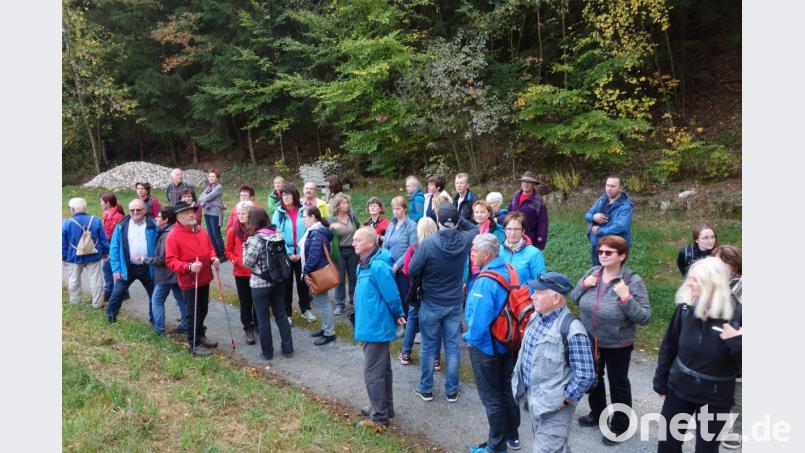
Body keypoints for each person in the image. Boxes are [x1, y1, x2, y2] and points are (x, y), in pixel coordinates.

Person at [653, 257, 742, 453]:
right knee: (668, 443)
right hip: (679, 388)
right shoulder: (685, 308)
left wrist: (736, 342)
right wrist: (661, 380)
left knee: (706, 449)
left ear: (712, 283)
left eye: (695, 279)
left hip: (716, 396)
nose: (688, 283)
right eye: (689, 278)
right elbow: (669, 345)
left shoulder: (738, 315)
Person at [572, 235, 652, 446]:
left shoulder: (633, 281)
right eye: (600, 252)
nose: (603, 255)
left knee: (618, 384)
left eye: (609, 252)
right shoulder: (592, 273)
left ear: (622, 255)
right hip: (590, 339)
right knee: (592, 379)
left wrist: (626, 298)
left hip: (618, 343)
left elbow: (644, 317)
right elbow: (574, 298)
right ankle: (597, 413)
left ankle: (620, 426)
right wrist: (582, 284)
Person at [512, 272, 597, 453]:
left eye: (538, 292)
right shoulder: (536, 317)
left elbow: (586, 374)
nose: (532, 295)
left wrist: (564, 401)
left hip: (555, 409)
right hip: (536, 401)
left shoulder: (573, 330)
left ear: (556, 297)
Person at [408, 203, 479, 403]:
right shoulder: (465, 240)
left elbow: (413, 270)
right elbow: (474, 228)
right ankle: (452, 391)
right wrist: (456, 218)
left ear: (438, 222)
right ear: (456, 222)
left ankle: (426, 388)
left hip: (431, 301)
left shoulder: (428, 244)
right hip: (454, 302)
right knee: (452, 346)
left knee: (429, 347)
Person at [464, 234, 521, 453]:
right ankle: (511, 435)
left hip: (487, 347)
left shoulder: (486, 280)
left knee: (492, 398)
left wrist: (470, 341)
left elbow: (478, 323)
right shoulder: (509, 270)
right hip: (509, 342)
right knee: (506, 390)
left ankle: (495, 446)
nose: (472, 253)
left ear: (486, 254)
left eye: (475, 250)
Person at [352, 227, 406, 430]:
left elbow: (392, 295)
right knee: (382, 369)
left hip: (376, 326)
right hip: (369, 323)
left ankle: (379, 418)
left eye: (358, 240)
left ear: (371, 244)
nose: (354, 243)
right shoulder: (364, 264)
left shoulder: (378, 266)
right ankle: (384, 408)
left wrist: (399, 313)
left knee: (372, 373)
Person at [166, 201, 221, 356]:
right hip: (190, 281)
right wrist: (188, 267)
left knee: (203, 309)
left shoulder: (200, 230)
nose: (192, 214)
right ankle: (193, 344)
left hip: (204, 277)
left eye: (192, 211)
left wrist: (213, 258)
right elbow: (170, 261)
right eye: (187, 212)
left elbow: (210, 249)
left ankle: (201, 335)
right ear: (178, 217)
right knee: (193, 313)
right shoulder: (173, 236)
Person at [242, 208, 294, 360]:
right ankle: (288, 349)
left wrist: (244, 247)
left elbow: (247, 263)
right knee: (281, 315)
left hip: (260, 284)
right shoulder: (277, 235)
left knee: (263, 319)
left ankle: (267, 353)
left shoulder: (255, 240)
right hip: (278, 281)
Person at [399, 217, 442, 370]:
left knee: (412, 321)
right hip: (434, 292)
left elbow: (406, 270)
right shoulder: (441, 248)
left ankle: (406, 353)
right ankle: (435, 359)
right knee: (435, 325)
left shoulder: (413, 249)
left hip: (415, 292)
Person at [106, 199, 158, 324]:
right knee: (117, 294)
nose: (135, 212)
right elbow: (114, 249)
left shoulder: (154, 226)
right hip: (127, 267)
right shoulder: (121, 226)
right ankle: (110, 321)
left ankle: (155, 323)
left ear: (145, 210)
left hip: (148, 268)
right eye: (132, 210)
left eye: (138, 209)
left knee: (154, 297)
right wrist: (116, 269)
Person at [711, 245, 742, 450]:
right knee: (718, 391)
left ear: (732, 264)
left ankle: (737, 431)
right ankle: (715, 427)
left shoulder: (742, 285)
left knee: (739, 393)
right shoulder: (712, 283)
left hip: (738, 345)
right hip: (715, 346)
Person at [273, 185, 316, 324]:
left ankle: (306, 310)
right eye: (283, 195)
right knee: (286, 284)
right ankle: (287, 314)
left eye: (288, 195)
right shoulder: (278, 213)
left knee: (303, 282)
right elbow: (276, 235)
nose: (285, 198)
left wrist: (300, 251)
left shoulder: (304, 211)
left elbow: (309, 231)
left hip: (302, 252)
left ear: (294, 196)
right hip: (285, 254)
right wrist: (289, 253)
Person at [142, 207, 188, 335]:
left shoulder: (167, 235)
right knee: (181, 299)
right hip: (178, 273)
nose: (156, 218)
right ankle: (186, 324)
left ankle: (159, 330)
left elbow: (162, 259)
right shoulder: (177, 230)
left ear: (166, 220)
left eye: (159, 217)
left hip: (166, 275)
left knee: (157, 300)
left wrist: (143, 260)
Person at [300, 205, 337, 346]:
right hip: (318, 271)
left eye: (305, 217)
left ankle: (329, 333)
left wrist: (305, 271)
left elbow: (314, 256)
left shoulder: (316, 233)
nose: (303, 219)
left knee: (323, 303)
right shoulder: (316, 230)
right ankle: (325, 328)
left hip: (317, 273)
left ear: (313, 217)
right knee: (322, 302)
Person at [63, 198, 109, 309]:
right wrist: (105, 252)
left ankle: (75, 301)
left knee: (74, 280)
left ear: (73, 209)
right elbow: (103, 239)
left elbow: (63, 243)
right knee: (96, 280)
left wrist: (64, 257)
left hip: (74, 257)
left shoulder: (67, 223)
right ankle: (97, 303)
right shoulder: (96, 220)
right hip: (94, 255)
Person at [382, 196, 418, 335]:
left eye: (398, 208)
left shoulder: (411, 225)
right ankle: (397, 323)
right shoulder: (391, 224)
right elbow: (385, 244)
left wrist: (397, 264)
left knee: (405, 296)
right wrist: (385, 260)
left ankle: (409, 326)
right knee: (393, 295)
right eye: (393, 208)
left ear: (404, 209)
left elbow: (412, 247)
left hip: (403, 268)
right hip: (389, 266)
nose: (395, 211)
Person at [225, 200, 259, 345]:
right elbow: (228, 251)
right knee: (245, 302)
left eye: (243, 213)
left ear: (250, 214)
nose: (240, 216)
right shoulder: (233, 230)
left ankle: (258, 324)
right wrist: (237, 261)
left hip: (256, 271)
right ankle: (248, 328)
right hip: (240, 272)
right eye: (238, 213)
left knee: (258, 301)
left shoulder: (256, 230)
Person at [585, 175, 633, 266]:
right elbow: (587, 215)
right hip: (598, 244)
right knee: (597, 273)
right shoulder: (602, 199)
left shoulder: (626, 205)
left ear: (621, 188)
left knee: (612, 276)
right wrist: (593, 217)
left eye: (613, 186)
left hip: (614, 248)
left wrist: (600, 231)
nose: (609, 189)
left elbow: (620, 227)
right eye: (607, 185)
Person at [328, 192, 361, 316]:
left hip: (353, 250)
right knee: (340, 278)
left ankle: (354, 300)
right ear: (338, 204)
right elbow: (326, 233)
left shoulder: (352, 216)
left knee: (354, 276)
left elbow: (359, 227)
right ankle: (340, 303)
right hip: (339, 252)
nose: (346, 205)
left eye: (347, 202)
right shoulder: (331, 219)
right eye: (343, 203)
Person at [498, 212, 546, 283]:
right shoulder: (497, 251)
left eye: (516, 229)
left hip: (525, 293)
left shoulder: (534, 253)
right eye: (509, 229)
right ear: (504, 230)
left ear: (523, 231)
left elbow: (540, 282)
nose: (512, 233)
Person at [507, 171, 548, 250]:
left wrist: (540, 239)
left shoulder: (538, 200)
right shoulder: (515, 196)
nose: (526, 184)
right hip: (513, 235)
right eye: (524, 182)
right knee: (513, 258)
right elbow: (509, 214)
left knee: (526, 260)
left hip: (529, 238)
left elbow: (542, 222)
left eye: (529, 182)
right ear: (521, 183)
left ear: (534, 184)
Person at [100, 192, 125, 301]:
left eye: (101, 201)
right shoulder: (106, 212)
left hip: (115, 246)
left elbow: (116, 234)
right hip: (108, 245)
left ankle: (113, 291)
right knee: (107, 268)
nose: (100, 203)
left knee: (111, 268)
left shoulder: (118, 217)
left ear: (108, 203)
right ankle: (112, 290)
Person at [198, 169, 226, 261]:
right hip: (207, 212)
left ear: (217, 178)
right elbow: (200, 198)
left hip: (215, 213)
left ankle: (222, 254)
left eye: (213, 176)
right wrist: (204, 199)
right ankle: (216, 253)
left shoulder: (218, 187)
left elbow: (208, 197)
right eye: (209, 176)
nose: (211, 178)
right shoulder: (208, 187)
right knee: (210, 234)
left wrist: (204, 199)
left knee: (216, 234)